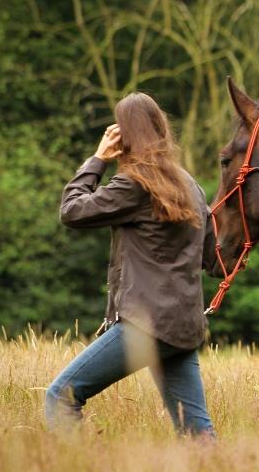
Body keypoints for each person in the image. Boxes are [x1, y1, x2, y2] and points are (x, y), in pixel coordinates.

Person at [46, 93, 216, 437]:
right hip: (182, 326)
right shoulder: (191, 186)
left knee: (60, 397)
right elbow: (211, 256)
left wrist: (97, 159)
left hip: (145, 325)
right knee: (196, 431)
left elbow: (72, 211)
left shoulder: (136, 184)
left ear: (123, 135)